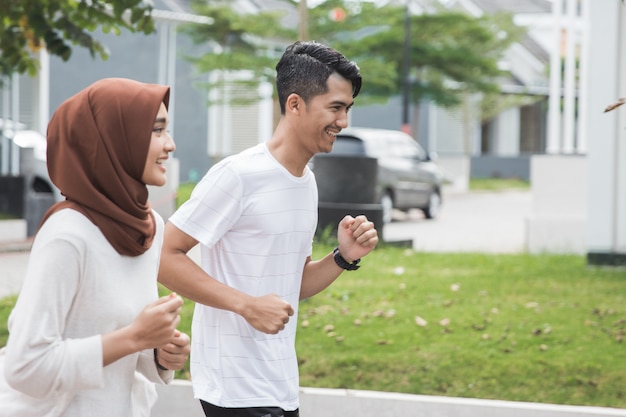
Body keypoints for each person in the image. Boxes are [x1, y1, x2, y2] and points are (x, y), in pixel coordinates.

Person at [158, 41, 379, 417]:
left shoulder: (305, 181)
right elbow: (163, 257)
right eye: (336, 107)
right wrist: (246, 305)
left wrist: (343, 258)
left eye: (347, 109)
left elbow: (294, 285)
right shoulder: (238, 175)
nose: (343, 122)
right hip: (233, 386)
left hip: (278, 384)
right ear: (295, 104)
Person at [0, 78, 191, 417]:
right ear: (116, 140)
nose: (170, 144)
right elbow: (25, 366)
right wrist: (134, 337)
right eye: (157, 131)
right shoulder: (68, 235)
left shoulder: (147, 227)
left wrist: (158, 352)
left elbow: (117, 334)